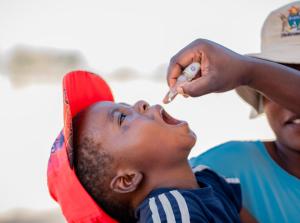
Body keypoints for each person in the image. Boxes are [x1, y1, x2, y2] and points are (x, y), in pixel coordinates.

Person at [48, 71, 257, 223]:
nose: (140, 103)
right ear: (127, 179)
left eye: (128, 106)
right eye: (122, 118)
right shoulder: (167, 213)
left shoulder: (208, 178)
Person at [164, 2, 300, 223]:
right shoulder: (220, 170)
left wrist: (249, 70)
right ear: (261, 96)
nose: (290, 99)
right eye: (278, 81)